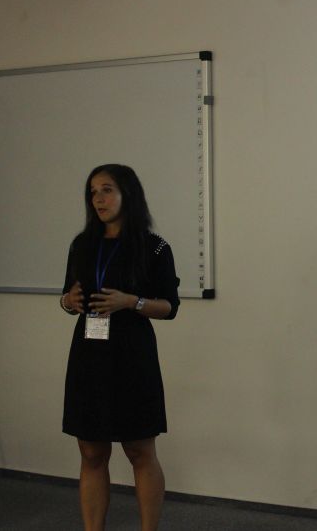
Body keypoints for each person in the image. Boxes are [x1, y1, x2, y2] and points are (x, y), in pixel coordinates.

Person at [59, 164, 180, 531]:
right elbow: (67, 295)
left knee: (139, 450)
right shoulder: (82, 245)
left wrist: (131, 301)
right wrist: (68, 301)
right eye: (93, 192)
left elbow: (169, 307)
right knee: (91, 451)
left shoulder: (154, 247)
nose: (98, 199)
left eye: (107, 190)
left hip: (132, 357)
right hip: (89, 356)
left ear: (128, 194)